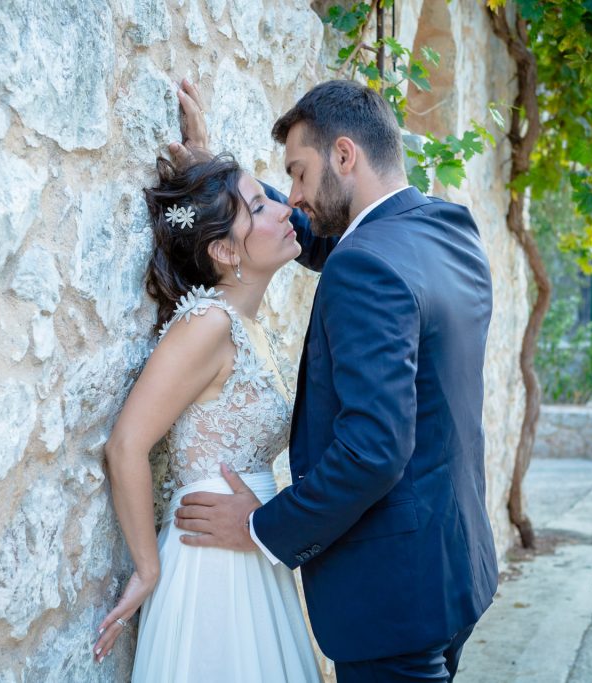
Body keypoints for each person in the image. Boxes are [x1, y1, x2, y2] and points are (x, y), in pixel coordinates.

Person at [174, 79, 499, 683]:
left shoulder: (362, 265)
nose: (293, 197)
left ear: (345, 155)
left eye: (298, 173)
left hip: (392, 597)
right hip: (457, 569)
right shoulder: (449, 231)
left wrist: (261, 528)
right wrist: (222, 179)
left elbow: (372, 450)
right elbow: (325, 233)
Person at [90, 91, 324, 679]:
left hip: (253, 555)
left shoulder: (244, 325)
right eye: (260, 206)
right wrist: (147, 570)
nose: (282, 208)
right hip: (211, 571)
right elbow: (126, 446)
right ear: (223, 250)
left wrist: (205, 158)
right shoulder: (207, 325)